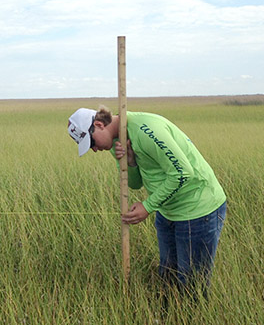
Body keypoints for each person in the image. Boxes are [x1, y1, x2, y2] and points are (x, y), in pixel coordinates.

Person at [67, 106, 227, 292]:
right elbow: (134, 184)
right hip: (167, 211)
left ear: (99, 124)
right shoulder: (117, 143)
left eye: (91, 142)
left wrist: (148, 206)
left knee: (192, 287)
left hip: (198, 210)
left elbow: (183, 173)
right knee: (168, 277)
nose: (94, 150)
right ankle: (169, 319)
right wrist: (130, 162)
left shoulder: (146, 130)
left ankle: (193, 321)